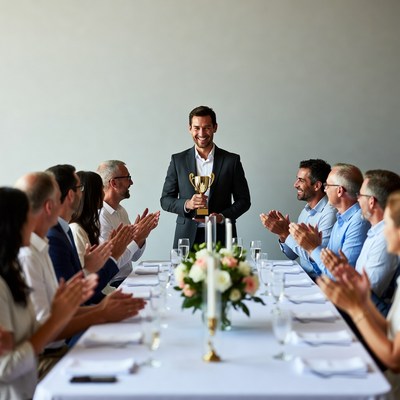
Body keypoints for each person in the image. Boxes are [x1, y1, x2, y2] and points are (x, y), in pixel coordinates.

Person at [15, 172, 146, 378]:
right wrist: (101, 310)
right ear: (51, 205)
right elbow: (49, 327)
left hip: (55, 348)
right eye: (79, 190)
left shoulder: (50, 240)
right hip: (47, 358)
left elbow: (67, 304)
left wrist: (100, 301)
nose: (79, 195)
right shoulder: (36, 250)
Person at [0, 187, 85, 399]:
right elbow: (6, 368)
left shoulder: (12, 271)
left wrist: (62, 312)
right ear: (12, 225)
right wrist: (57, 319)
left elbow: (33, 332)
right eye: (29, 216)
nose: (35, 222)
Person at [318, 190, 400, 397]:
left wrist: (356, 309)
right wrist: (363, 300)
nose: (383, 231)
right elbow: (390, 329)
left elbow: (394, 360)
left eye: (387, 224)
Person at [160, 105, 251, 248]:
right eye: (196, 128)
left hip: (222, 236)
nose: (201, 133)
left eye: (207, 127)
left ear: (215, 127)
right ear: (190, 128)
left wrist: (222, 217)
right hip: (186, 238)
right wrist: (188, 204)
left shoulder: (231, 161)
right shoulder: (178, 160)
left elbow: (244, 201)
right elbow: (165, 200)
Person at [321, 169, 400, 316]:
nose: (357, 199)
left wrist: (346, 277)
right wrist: (345, 273)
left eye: (360, 195)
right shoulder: (374, 232)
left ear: (371, 201)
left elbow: (365, 299)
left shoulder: (384, 239)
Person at [46, 164, 115, 303]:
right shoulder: (56, 237)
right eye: (80, 188)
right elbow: (70, 297)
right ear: (71, 195)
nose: (83, 193)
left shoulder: (64, 229)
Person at [288, 163, 370, 277]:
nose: (325, 190)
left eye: (328, 186)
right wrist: (315, 249)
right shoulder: (340, 220)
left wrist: (313, 248)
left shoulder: (359, 221)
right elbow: (324, 270)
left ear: (340, 191)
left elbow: (342, 276)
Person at [260, 159, 336, 279]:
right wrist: (283, 235)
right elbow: (292, 255)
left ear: (317, 185)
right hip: (303, 277)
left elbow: (317, 258)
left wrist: (285, 232)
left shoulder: (329, 214)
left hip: (319, 283)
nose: (295, 184)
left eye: (301, 180)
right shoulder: (305, 212)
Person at [70, 171, 135, 292]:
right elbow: (87, 280)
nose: (103, 192)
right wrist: (114, 253)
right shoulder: (76, 229)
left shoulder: (88, 226)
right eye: (101, 188)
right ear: (91, 193)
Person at [97, 160, 160, 283]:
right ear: (114, 183)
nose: (131, 182)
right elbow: (111, 263)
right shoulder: (101, 216)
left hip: (128, 279)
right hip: (113, 284)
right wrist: (136, 238)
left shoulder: (121, 211)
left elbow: (134, 257)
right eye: (128, 177)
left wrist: (141, 237)